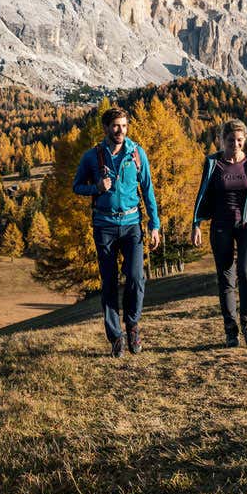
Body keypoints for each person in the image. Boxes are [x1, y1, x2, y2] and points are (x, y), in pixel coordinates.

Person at [72, 107, 161, 357]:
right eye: (115, 126)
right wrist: (97, 188)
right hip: (104, 227)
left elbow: (148, 190)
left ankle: (132, 325)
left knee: (135, 277)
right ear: (105, 128)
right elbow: (76, 186)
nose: (120, 130)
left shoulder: (137, 153)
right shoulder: (92, 156)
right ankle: (115, 337)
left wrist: (155, 225)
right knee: (109, 282)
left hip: (132, 223)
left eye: (124, 125)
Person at [191, 118, 247, 347]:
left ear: (245, 140)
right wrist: (196, 224)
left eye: (239, 140)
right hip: (221, 226)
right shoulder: (212, 164)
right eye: (230, 140)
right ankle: (231, 329)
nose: (235, 145)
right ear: (222, 140)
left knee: (246, 273)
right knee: (226, 278)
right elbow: (202, 195)